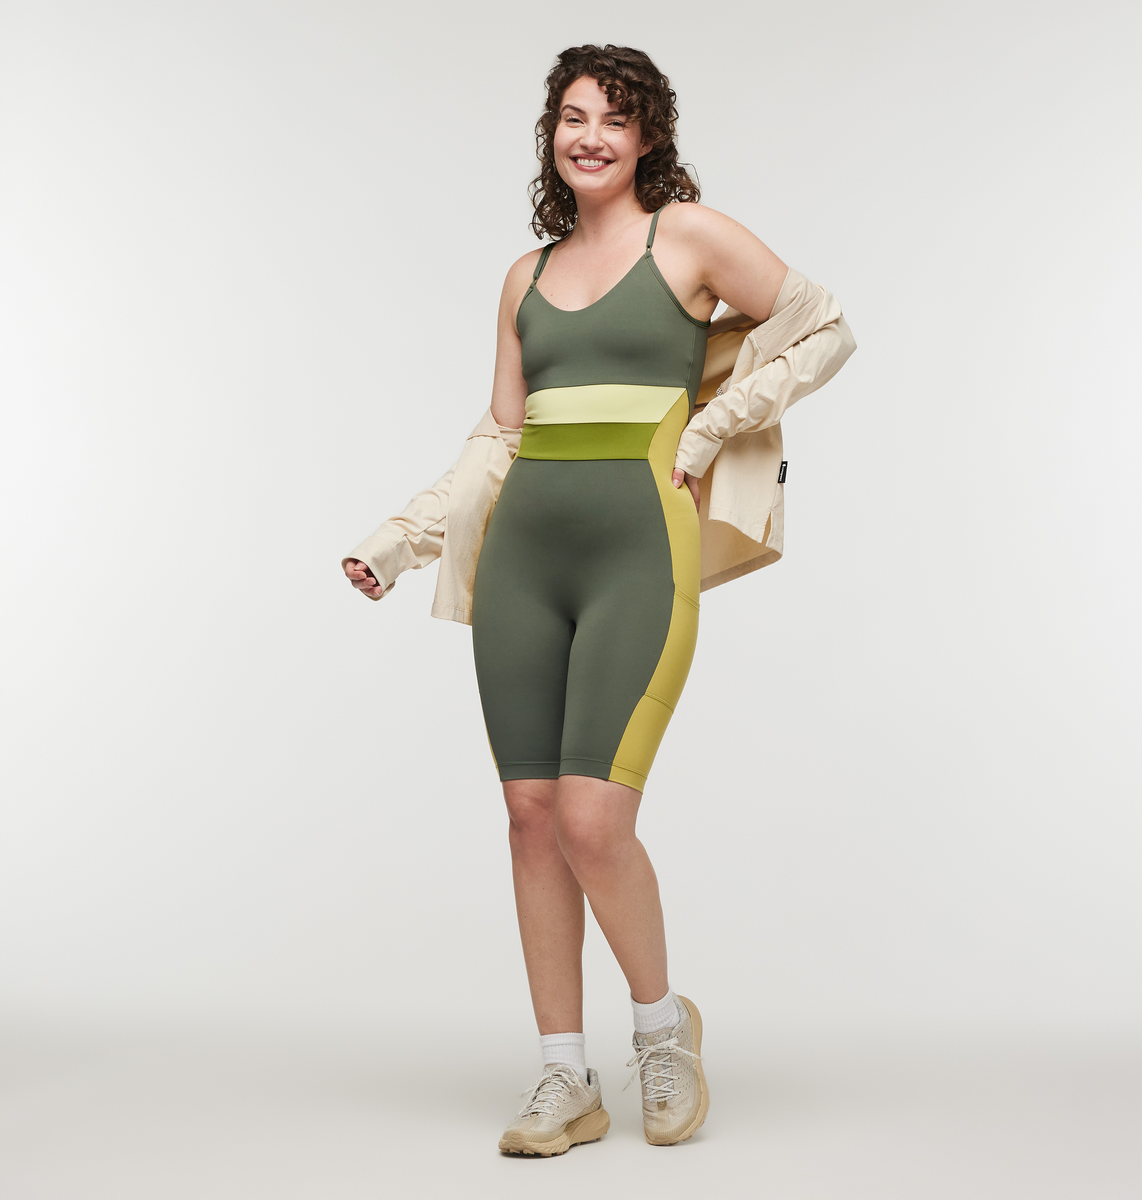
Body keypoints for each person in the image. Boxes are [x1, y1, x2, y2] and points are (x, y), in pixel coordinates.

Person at [343, 44, 855, 1155]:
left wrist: (707, 433)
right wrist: (402, 542)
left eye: (615, 120)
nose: (591, 137)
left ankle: (663, 1033)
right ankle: (563, 1078)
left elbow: (824, 327)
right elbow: (499, 438)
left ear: (648, 137)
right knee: (531, 818)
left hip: (637, 558)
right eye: (573, 117)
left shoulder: (689, 236)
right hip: (523, 562)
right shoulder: (523, 278)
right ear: (552, 134)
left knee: (592, 819)